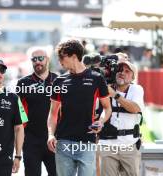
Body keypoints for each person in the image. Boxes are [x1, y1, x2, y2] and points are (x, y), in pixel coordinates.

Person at [47, 39, 112, 176]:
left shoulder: (96, 78)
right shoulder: (59, 81)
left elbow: (107, 108)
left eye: (62, 57)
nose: (59, 61)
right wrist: (51, 134)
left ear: (74, 56)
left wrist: (101, 121)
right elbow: (53, 113)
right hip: (63, 142)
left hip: (87, 141)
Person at [16, 47, 57, 176]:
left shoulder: (59, 81)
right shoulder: (23, 83)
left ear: (48, 60)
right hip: (31, 140)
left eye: (41, 58)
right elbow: (18, 114)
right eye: (34, 59)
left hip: (54, 139)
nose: (37, 62)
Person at [99, 60, 144, 176]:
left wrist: (115, 95)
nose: (122, 73)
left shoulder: (136, 89)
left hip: (129, 145)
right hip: (107, 145)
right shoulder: (104, 88)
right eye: (119, 70)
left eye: (127, 71)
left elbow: (135, 108)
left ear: (133, 77)